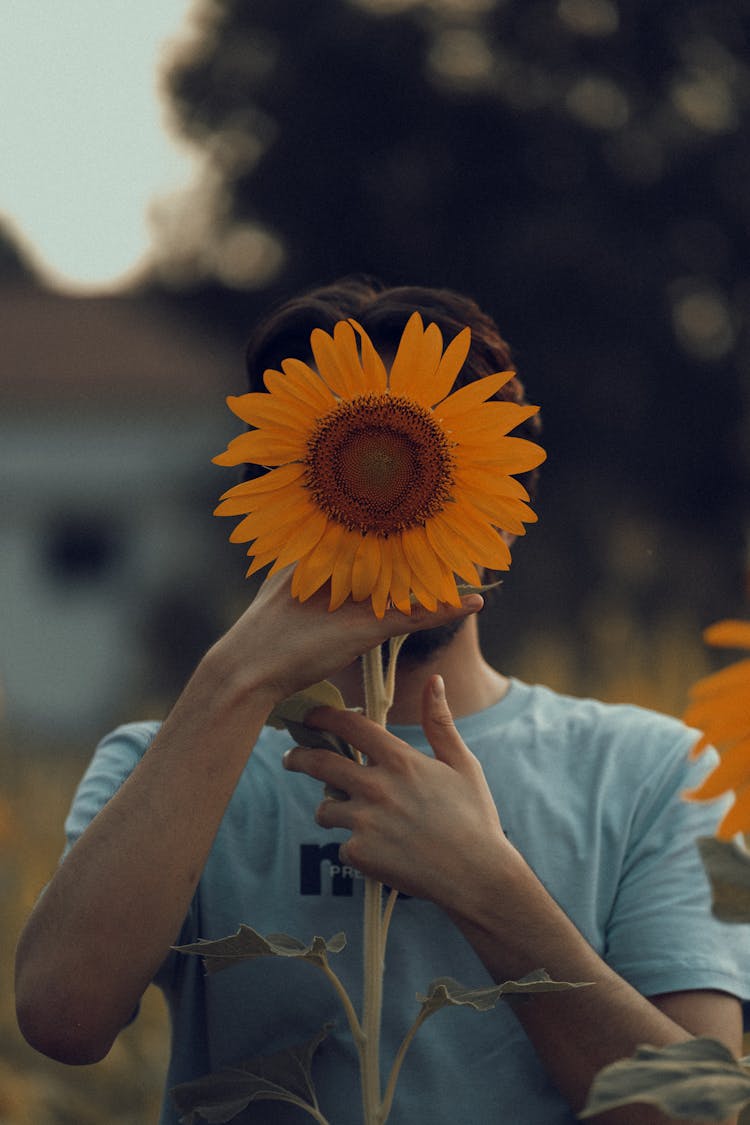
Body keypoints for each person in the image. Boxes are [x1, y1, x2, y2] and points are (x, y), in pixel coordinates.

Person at [15, 279, 750, 1125]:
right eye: (349, 473)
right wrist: (233, 681)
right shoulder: (168, 762)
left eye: (423, 463)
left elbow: (698, 1114)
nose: (385, 506)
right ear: (285, 507)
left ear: (505, 507)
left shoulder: (655, 769)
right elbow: (61, 1017)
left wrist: (486, 884)